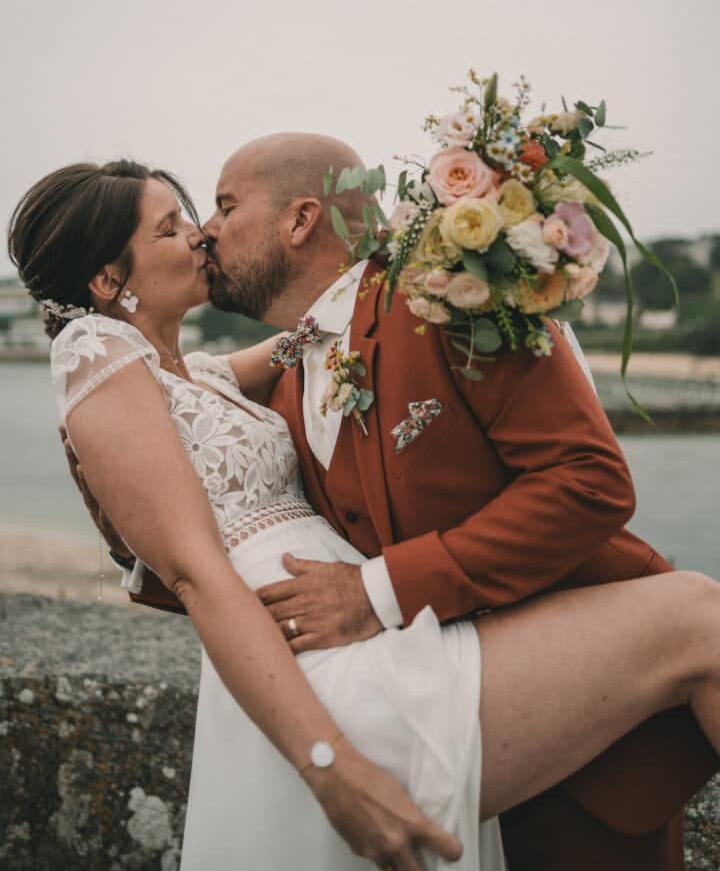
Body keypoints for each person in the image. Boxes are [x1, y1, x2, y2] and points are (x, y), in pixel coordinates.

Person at [11, 158, 719, 871]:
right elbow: (195, 572)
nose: (201, 235)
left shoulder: (205, 376)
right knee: (700, 618)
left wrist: (446, 235)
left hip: (351, 638)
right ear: (107, 281)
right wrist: (327, 760)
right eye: (172, 226)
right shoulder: (93, 349)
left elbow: (321, 329)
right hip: (323, 675)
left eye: (211, 212)